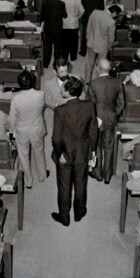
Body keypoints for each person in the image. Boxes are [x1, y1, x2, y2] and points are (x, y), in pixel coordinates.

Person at [51, 76, 98, 226]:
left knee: (64, 187)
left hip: (65, 154)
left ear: (67, 92)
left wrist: (59, 154)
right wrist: (93, 152)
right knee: (81, 184)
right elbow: (93, 131)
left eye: (63, 87)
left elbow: (56, 138)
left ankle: (64, 217)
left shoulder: (60, 110)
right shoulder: (90, 106)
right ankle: (79, 212)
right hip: (82, 152)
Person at [8, 70, 48, 189]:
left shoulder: (15, 99)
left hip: (22, 130)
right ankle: (42, 175)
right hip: (36, 128)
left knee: (23, 155)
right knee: (39, 151)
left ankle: (28, 181)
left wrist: (12, 131)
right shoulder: (41, 94)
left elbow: (11, 118)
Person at [89, 59, 125, 184]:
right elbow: (121, 103)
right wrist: (114, 114)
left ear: (98, 69)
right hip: (111, 118)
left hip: (97, 119)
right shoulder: (118, 82)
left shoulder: (93, 84)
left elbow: (90, 104)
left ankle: (98, 174)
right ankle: (107, 176)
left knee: (96, 146)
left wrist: (94, 117)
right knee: (109, 147)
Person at [84, 4, 117, 83]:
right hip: (103, 46)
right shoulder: (111, 21)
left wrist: (88, 38)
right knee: (100, 65)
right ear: (114, 12)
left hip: (91, 42)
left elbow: (88, 27)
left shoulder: (95, 12)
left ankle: (87, 81)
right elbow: (111, 38)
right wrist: (109, 47)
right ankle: (97, 82)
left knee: (89, 64)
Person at [40, 0, 66, 68]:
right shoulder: (61, 3)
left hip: (48, 27)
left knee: (47, 46)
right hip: (58, 28)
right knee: (57, 47)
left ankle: (46, 63)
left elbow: (42, 16)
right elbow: (64, 15)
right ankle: (56, 64)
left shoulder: (45, 2)